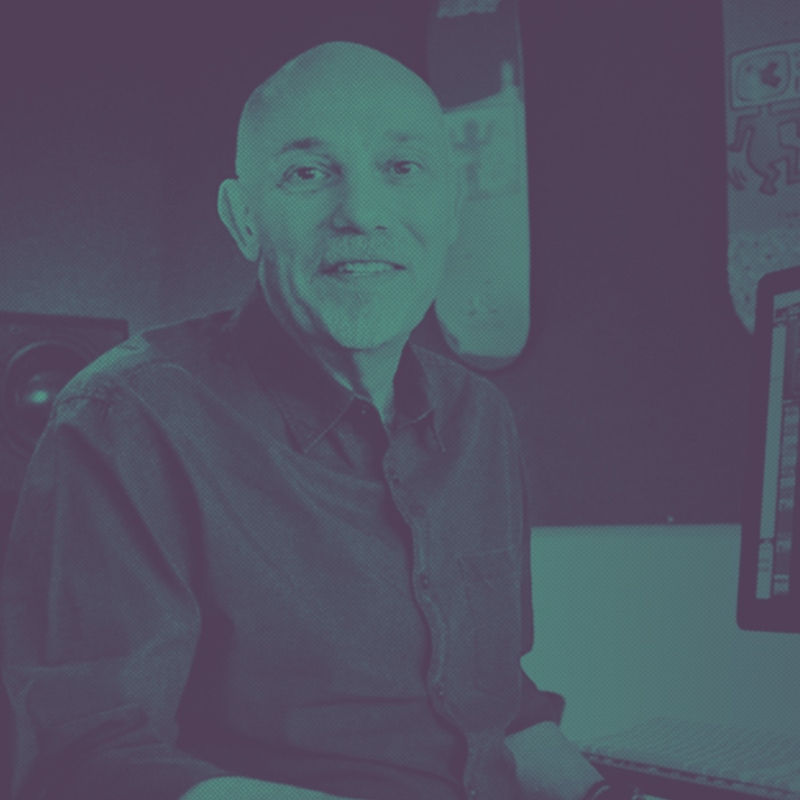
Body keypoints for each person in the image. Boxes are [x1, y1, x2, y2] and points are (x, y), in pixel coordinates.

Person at [0, 41, 626, 800]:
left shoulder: (481, 422)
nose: (362, 212)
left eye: (402, 168)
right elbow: (87, 758)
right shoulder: (125, 421)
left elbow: (501, 712)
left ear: (453, 207)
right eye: (307, 173)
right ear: (243, 220)